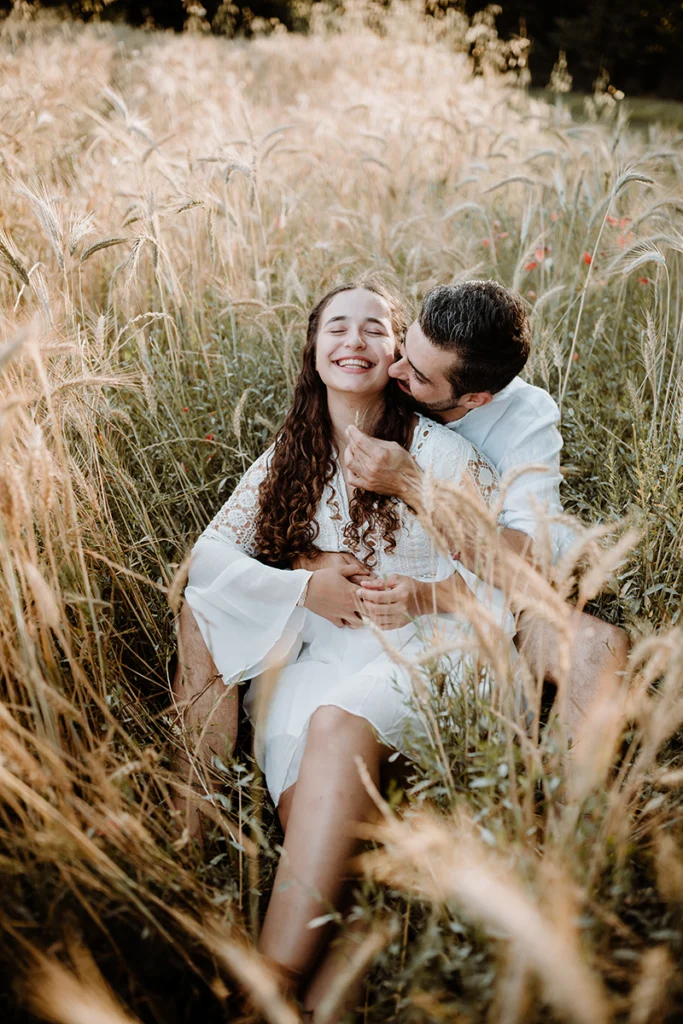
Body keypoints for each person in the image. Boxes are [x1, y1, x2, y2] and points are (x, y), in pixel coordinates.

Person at [176, 280, 514, 1017]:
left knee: (337, 725)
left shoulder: (440, 455)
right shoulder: (289, 455)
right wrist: (304, 585)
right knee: (338, 864)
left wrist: (423, 596)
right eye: (337, 326)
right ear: (314, 348)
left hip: (432, 658)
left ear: (397, 356)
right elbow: (205, 561)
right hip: (315, 665)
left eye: (373, 329)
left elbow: (502, 588)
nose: (353, 341)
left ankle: (259, 995)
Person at [340, 280, 630, 736]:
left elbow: (524, 568)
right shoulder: (390, 369)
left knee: (600, 649)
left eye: (418, 376)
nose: (396, 370)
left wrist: (414, 487)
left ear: (475, 399)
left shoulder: (525, 419)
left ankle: (569, 803)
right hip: (386, 583)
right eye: (405, 350)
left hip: (487, 600)